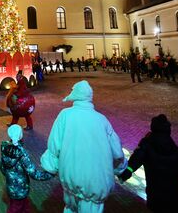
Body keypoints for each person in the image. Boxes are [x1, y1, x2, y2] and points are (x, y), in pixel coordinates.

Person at [41, 80, 126, 213]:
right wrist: (121, 169)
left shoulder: (65, 115)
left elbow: (54, 145)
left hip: (70, 177)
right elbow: (117, 152)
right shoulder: (101, 119)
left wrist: (51, 166)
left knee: (70, 208)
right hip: (96, 182)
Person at [118, 114, 178, 213]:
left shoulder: (146, 146)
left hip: (156, 196)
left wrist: (125, 173)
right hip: (177, 198)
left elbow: (135, 161)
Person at [0, 124, 53, 213]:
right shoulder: (22, 154)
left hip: (11, 187)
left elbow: (2, 168)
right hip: (21, 189)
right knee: (16, 208)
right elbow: (34, 174)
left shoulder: (5, 149)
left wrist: (10, 176)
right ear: (21, 136)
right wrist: (50, 174)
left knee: (22, 206)